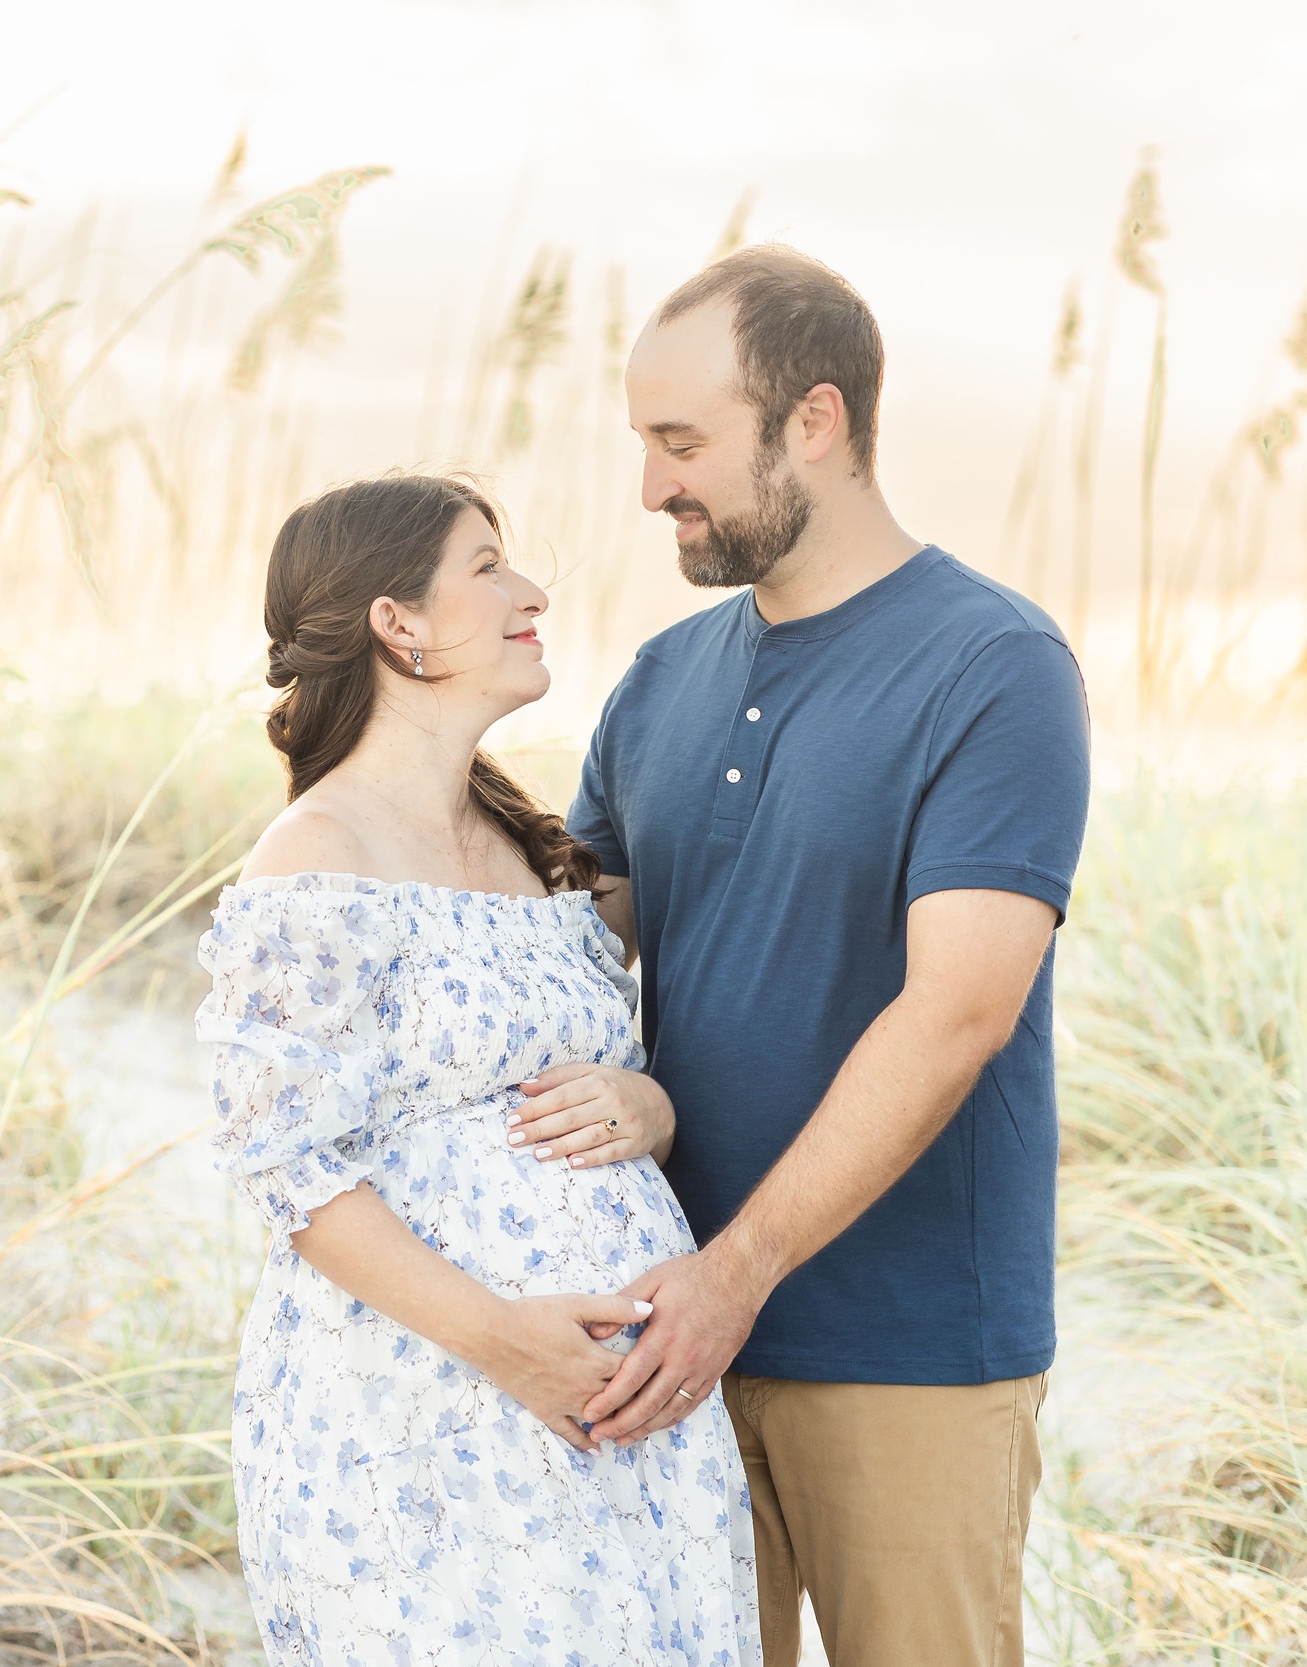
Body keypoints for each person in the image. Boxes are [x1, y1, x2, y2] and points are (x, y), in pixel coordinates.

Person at [565, 245, 1092, 1667]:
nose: (653, 486)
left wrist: (739, 1271)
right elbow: (558, 956)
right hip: (664, 1342)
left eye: (684, 444)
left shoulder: (995, 666)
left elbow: (958, 1011)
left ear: (815, 420)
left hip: (908, 1350)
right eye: (644, 443)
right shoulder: (663, 677)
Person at [196, 473, 760, 1664]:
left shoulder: (532, 845)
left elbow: (613, 1061)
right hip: (424, 1413)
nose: (530, 591)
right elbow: (288, 1167)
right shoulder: (317, 856)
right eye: (487, 566)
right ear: (398, 624)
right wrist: (509, 1341)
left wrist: (650, 1106)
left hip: (625, 1426)